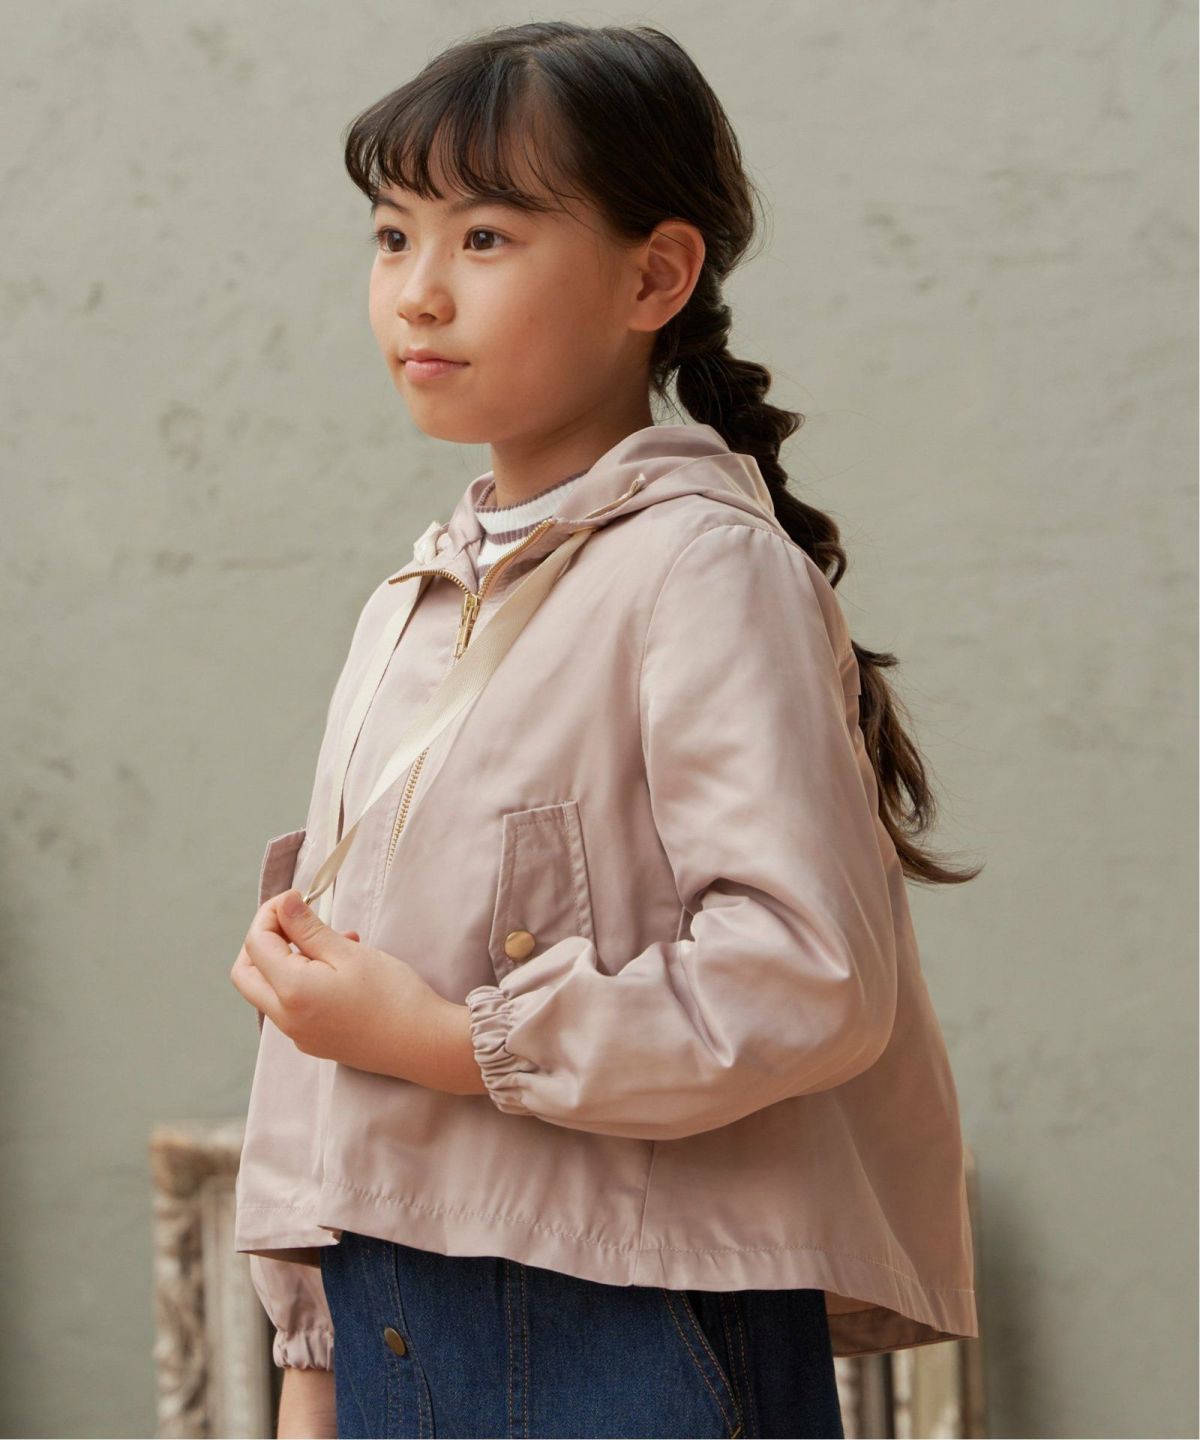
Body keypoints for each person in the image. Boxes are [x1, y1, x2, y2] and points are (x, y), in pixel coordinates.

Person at [229, 20, 981, 1439]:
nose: (420, 293)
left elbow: (806, 975)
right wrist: (309, 1361)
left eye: (486, 238)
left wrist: (451, 1040)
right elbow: (321, 1024)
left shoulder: (704, 570)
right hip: (400, 1314)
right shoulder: (409, 605)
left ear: (655, 275)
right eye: (392, 237)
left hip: (622, 1322)